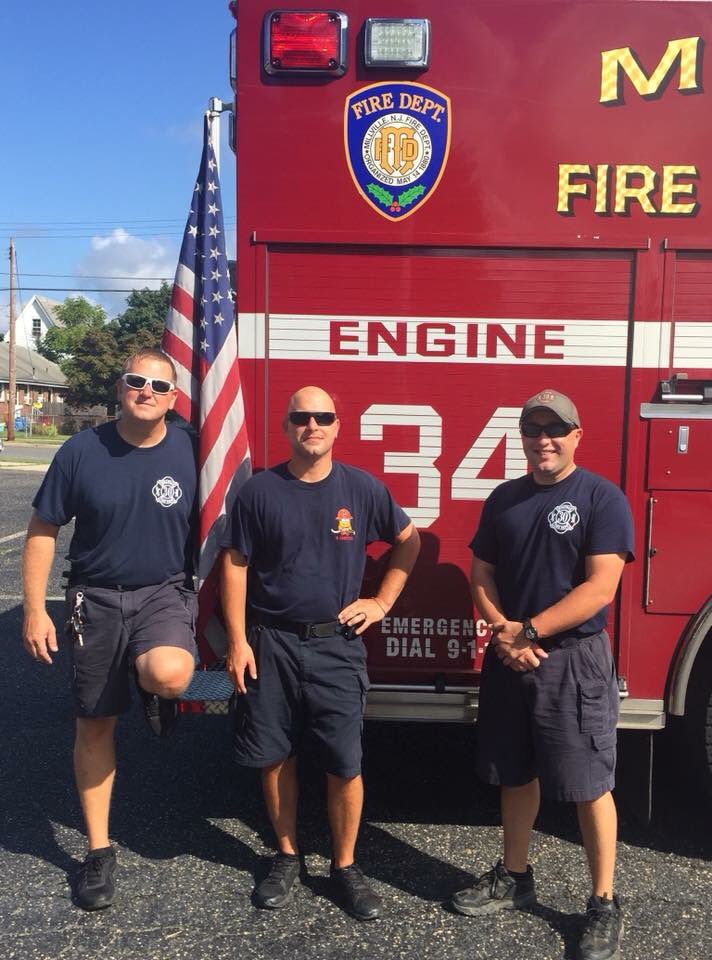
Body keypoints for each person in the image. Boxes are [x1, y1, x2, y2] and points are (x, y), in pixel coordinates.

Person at [220, 385, 420, 920]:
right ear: (287, 427)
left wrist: (381, 601)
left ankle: (345, 866)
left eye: (323, 417)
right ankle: (286, 856)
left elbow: (409, 540)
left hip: (337, 645)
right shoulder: (259, 492)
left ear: (338, 426)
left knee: (344, 761)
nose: (312, 425)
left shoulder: (362, 489)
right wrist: (237, 641)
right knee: (274, 755)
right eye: (301, 417)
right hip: (271, 642)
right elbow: (235, 564)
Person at [449, 389, 633, 960]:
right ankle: (516, 876)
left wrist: (527, 631)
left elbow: (601, 587)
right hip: (512, 656)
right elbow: (482, 572)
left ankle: (603, 902)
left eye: (556, 429)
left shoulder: (602, 498)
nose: (543, 440)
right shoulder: (504, 498)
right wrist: (505, 630)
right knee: (515, 773)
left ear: (578, 435)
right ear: (522, 438)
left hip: (572, 660)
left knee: (588, 784)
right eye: (533, 430)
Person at [22, 348, 198, 911]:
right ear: (120, 387)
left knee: (170, 675)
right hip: (93, 600)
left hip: (164, 593)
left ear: (175, 397)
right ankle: (99, 852)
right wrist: (33, 609)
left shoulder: (197, 449)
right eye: (135, 380)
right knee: (95, 724)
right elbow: (43, 527)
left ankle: (152, 690)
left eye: (159, 385)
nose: (146, 390)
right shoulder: (81, 451)